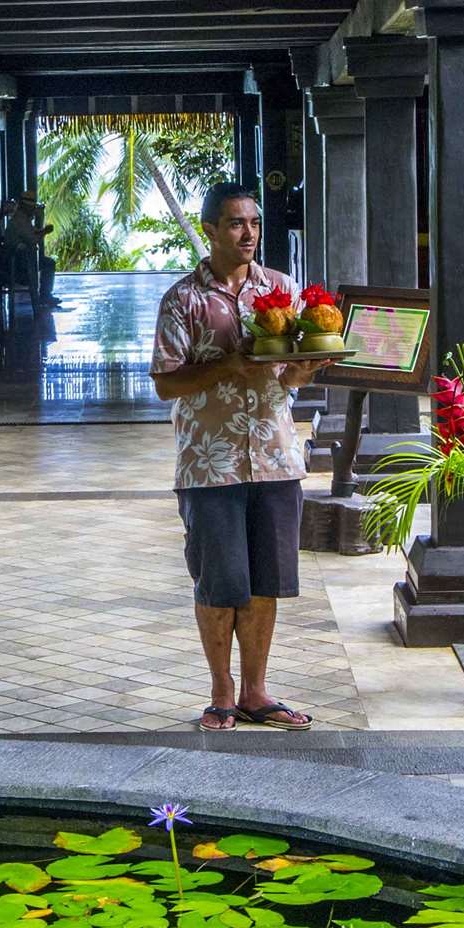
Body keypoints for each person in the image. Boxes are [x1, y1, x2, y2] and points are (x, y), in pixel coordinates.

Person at [148, 182, 320, 730]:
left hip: (275, 455)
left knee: (267, 582)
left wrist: (302, 370)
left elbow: (288, 373)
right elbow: (165, 384)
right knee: (220, 583)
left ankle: (257, 691)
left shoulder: (283, 290)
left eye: (254, 223)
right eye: (235, 224)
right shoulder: (183, 299)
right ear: (211, 229)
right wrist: (229, 366)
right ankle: (221, 692)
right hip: (210, 463)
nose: (248, 234)